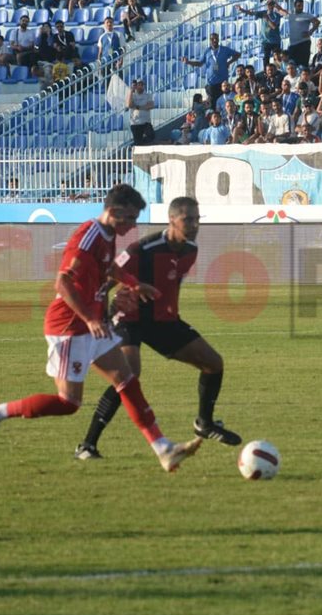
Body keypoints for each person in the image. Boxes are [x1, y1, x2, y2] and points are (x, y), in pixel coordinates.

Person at [0, 184, 203, 473]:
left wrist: (133, 283)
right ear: (114, 211)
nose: (133, 225)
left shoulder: (107, 235)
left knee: (127, 379)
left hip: (91, 324)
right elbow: (63, 283)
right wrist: (91, 319)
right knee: (69, 402)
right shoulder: (90, 235)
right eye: (130, 218)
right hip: (69, 326)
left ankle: (163, 449)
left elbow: (106, 268)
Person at [75, 197, 239, 460]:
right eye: (188, 219)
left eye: (197, 219)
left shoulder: (190, 250)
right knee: (128, 375)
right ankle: (87, 444)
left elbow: (171, 284)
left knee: (213, 363)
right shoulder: (143, 248)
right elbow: (108, 274)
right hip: (129, 319)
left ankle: (204, 423)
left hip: (162, 321)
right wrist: (109, 304)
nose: (195, 225)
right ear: (171, 219)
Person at [182, 32, 240, 109]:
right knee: (213, 105)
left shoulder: (224, 49)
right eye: (212, 39)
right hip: (211, 83)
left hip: (223, 82)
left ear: (218, 39)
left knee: (224, 103)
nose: (215, 40)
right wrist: (188, 62)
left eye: (216, 38)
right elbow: (200, 63)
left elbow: (238, 54)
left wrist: (229, 62)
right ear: (210, 40)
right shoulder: (207, 51)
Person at [126, 79, 156, 145]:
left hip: (145, 122)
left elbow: (150, 105)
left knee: (151, 136)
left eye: (142, 85)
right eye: (138, 84)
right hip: (135, 123)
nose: (140, 86)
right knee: (138, 142)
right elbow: (128, 104)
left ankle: (142, 142)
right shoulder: (132, 95)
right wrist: (131, 90)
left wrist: (137, 107)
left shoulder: (148, 95)